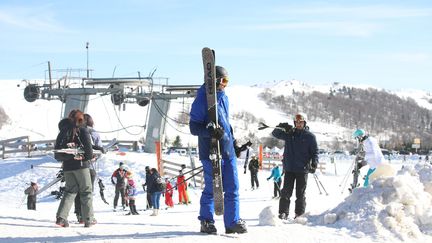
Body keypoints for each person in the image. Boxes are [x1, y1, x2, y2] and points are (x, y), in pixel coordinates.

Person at [189, 65, 247, 234]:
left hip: (227, 149)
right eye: (224, 81)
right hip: (211, 151)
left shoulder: (223, 97)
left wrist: (234, 143)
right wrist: (209, 131)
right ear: (214, 81)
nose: (225, 85)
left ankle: (232, 222)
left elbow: (226, 124)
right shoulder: (202, 99)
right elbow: (194, 127)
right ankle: (206, 220)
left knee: (232, 186)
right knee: (213, 188)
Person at [271, 112, 318, 220]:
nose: (298, 124)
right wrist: (281, 126)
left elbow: (315, 152)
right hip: (289, 168)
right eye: (296, 122)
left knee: (300, 193)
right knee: (286, 191)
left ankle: (299, 213)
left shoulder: (310, 137)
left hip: (302, 169)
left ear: (304, 122)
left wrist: (314, 163)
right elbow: (275, 133)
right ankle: (283, 212)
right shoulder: (289, 134)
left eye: (300, 122)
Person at [54, 109, 95, 227]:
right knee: (86, 191)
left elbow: (57, 152)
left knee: (70, 191)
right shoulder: (82, 130)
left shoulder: (62, 131)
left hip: (67, 166)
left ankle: (61, 218)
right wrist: (86, 157)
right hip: (81, 166)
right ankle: (88, 218)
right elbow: (88, 151)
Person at [74, 113, 101, 222]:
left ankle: (79, 215)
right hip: (89, 166)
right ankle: (88, 215)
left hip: (75, 165)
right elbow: (99, 149)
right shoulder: (93, 132)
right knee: (87, 192)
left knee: (77, 191)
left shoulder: (75, 131)